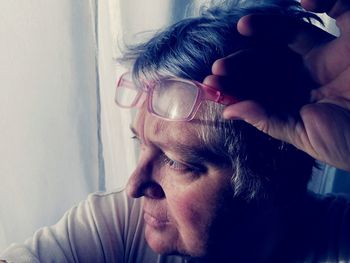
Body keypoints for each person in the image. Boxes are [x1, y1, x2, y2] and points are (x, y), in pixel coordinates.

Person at [1, 0, 349, 262]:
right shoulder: (120, 225)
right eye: (141, 143)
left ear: (275, 176)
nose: (135, 187)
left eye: (178, 162)